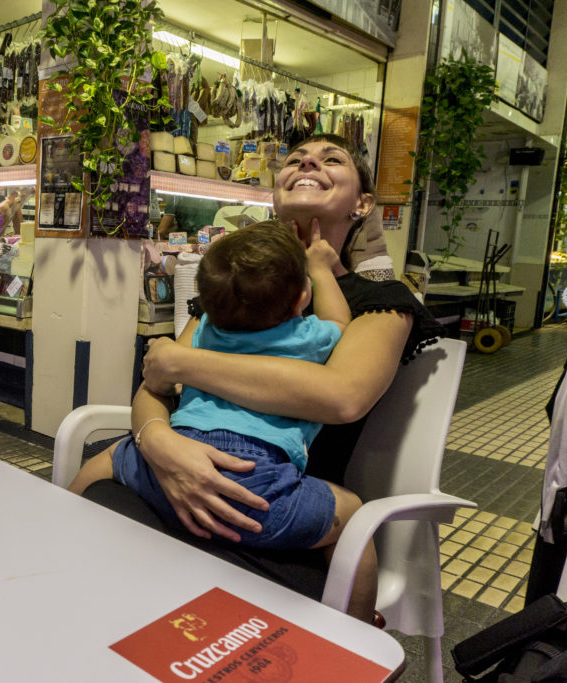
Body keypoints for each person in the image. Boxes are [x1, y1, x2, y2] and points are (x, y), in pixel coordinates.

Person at [72, 134, 444, 618]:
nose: (309, 161)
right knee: (91, 574)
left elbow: (340, 397)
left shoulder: (380, 301)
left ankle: (352, 644)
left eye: (333, 160)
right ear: (274, 192)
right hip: (177, 471)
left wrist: (182, 363)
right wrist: (159, 443)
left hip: (277, 515)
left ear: (363, 203)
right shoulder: (234, 287)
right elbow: (153, 390)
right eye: (295, 159)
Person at [72, 220, 380, 618]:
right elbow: (340, 322)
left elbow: (156, 389)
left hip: (167, 462)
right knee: (354, 513)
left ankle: (59, 532)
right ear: (303, 297)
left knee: (109, 456)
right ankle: (357, 634)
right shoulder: (308, 334)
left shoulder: (203, 333)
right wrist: (319, 266)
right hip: (254, 483)